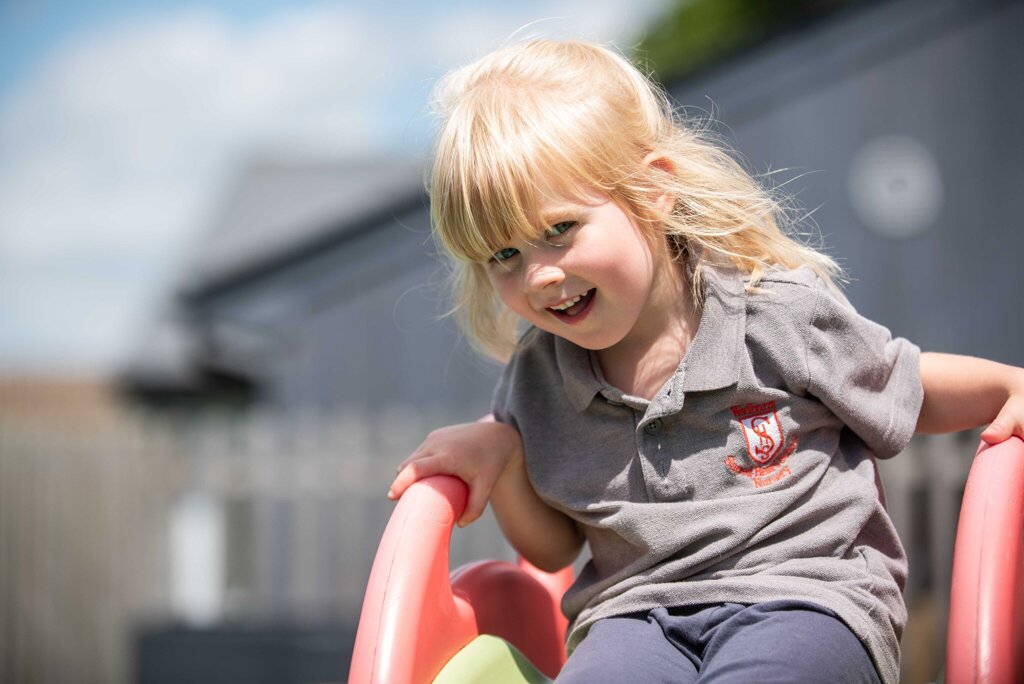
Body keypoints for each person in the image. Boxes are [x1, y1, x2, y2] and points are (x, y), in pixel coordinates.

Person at [386, 39, 1024, 683]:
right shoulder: (539, 377)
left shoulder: (772, 314)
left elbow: (904, 387)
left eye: (559, 230)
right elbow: (553, 547)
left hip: (805, 595)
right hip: (634, 617)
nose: (541, 275)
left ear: (654, 189)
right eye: (504, 257)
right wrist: (506, 456)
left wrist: (1010, 387)